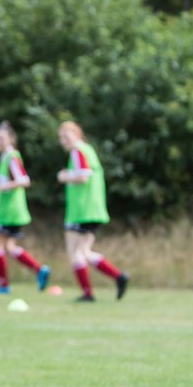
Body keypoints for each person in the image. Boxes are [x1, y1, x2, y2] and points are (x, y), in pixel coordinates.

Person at [55, 121, 128, 302]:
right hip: (90, 209)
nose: (63, 140)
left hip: (82, 210)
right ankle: (118, 277)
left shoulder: (78, 151)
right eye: (61, 137)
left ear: (77, 135)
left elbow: (84, 176)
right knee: (84, 252)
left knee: (75, 252)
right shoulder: (86, 150)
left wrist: (65, 176)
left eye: (67, 136)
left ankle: (88, 293)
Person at [0, 121, 50, 294]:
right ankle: (39, 270)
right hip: (8, 210)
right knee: (9, 247)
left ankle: (4, 285)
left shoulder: (12, 157)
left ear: (11, 139)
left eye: (1, 138)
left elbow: (23, 180)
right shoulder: (5, 157)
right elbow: (8, 180)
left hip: (8, 211)